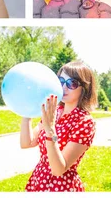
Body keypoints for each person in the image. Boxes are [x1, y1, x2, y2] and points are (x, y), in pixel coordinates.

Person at [20, 61, 97, 192]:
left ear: (84, 89)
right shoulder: (55, 111)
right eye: (61, 80)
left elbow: (58, 169)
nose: (63, 87)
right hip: (39, 180)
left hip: (61, 187)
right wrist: (26, 113)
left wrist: (50, 129)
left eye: (71, 83)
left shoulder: (85, 122)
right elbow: (27, 143)